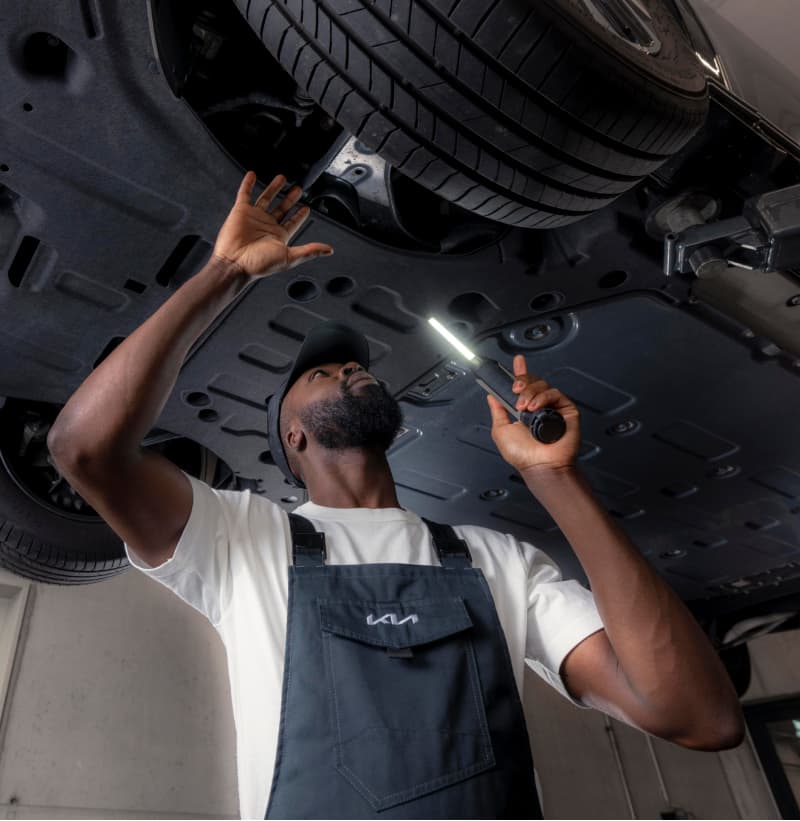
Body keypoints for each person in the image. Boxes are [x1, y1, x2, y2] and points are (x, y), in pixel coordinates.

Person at [48, 171, 744, 820]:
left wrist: (554, 478)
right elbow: (85, 448)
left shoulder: (493, 558)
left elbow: (699, 716)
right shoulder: (241, 538)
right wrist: (224, 274)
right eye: (322, 371)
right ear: (293, 437)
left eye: (353, 363)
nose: (350, 367)